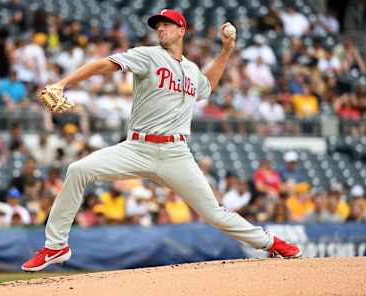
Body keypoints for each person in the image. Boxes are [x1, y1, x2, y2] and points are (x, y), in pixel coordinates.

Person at [21, 9, 302, 272]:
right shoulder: (148, 55)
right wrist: (62, 84)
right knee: (78, 170)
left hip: (175, 153)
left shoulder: (191, 70)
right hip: (137, 147)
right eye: (158, 26)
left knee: (214, 213)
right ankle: (55, 246)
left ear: (182, 30)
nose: (161, 29)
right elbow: (102, 64)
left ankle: (271, 243)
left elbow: (207, 86)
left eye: (167, 25)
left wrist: (226, 50)